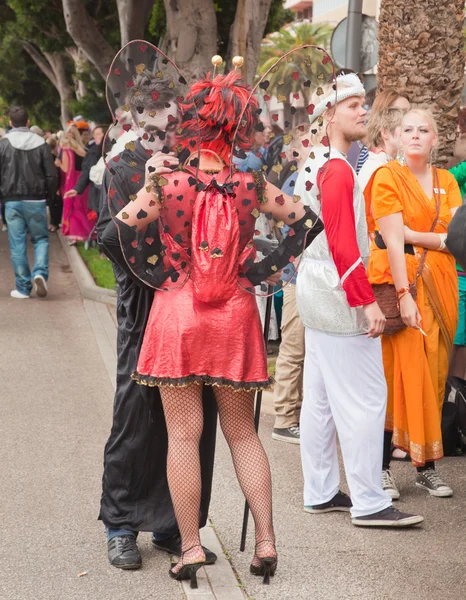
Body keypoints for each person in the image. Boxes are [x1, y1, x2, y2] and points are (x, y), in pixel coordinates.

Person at [102, 66, 324, 585]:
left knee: (184, 435)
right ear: (238, 127)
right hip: (235, 315)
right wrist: (260, 269)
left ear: (195, 123)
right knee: (243, 434)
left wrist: (159, 267)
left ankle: (191, 547)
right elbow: (306, 224)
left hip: (178, 314)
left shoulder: (166, 182)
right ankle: (266, 541)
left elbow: (115, 235)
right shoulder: (252, 186)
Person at [97, 53, 218, 571]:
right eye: (156, 110)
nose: (166, 121)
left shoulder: (198, 164)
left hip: (194, 309)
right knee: (136, 417)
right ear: (137, 114)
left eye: (173, 111)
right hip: (144, 309)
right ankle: (120, 524)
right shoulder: (123, 167)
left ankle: (177, 524)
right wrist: (149, 185)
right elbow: (108, 240)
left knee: (193, 421)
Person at [296, 74, 423, 527]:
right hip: (339, 297)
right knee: (367, 399)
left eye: (362, 102)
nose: (362, 109)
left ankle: (321, 489)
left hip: (315, 293)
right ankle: (369, 502)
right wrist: (365, 300)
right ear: (329, 115)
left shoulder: (313, 163)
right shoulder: (337, 168)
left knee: (321, 400)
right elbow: (342, 243)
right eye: (352, 104)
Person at [366, 108, 461, 500]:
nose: (417, 135)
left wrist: (414, 235)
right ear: (397, 137)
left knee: (435, 378)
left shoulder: (447, 181)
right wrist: (404, 295)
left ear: (435, 138)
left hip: (442, 290)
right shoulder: (387, 176)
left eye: (424, 129)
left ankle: (427, 468)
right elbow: (389, 238)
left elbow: (457, 236)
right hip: (405, 286)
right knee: (398, 379)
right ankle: (383, 468)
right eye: (409, 129)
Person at [272, 125, 310, 444]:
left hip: (312, 277)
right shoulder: (295, 183)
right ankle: (284, 417)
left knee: (308, 351)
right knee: (294, 347)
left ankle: (299, 412)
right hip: (297, 278)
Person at [0, 105, 56, 299]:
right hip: (36, 199)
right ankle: (40, 272)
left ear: (9, 123)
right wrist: (49, 197)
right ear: (28, 122)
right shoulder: (40, 143)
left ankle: (23, 288)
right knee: (40, 239)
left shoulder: (3, 144)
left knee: (17, 244)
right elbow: (51, 174)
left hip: (11, 200)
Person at [357, 88, 410, 172]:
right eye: (401, 113)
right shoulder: (375, 165)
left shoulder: (398, 161)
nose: (410, 119)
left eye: (409, 112)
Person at [59, 125, 94, 244]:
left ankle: (75, 235)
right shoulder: (83, 149)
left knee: (73, 208)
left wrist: (58, 164)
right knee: (85, 207)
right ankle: (90, 232)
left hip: (73, 180)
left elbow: (65, 168)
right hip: (85, 180)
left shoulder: (66, 148)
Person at [63, 125, 109, 218]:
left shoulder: (96, 151)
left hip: (102, 194)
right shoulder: (94, 151)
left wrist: (77, 188)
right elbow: (87, 171)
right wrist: (77, 188)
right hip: (102, 195)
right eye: (94, 134)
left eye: (98, 134)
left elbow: (87, 171)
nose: (94, 136)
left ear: (106, 135)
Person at [358, 108, 406, 195]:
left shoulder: (380, 163)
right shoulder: (377, 168)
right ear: (385, 133)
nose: (410, 135)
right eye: (405, 129)